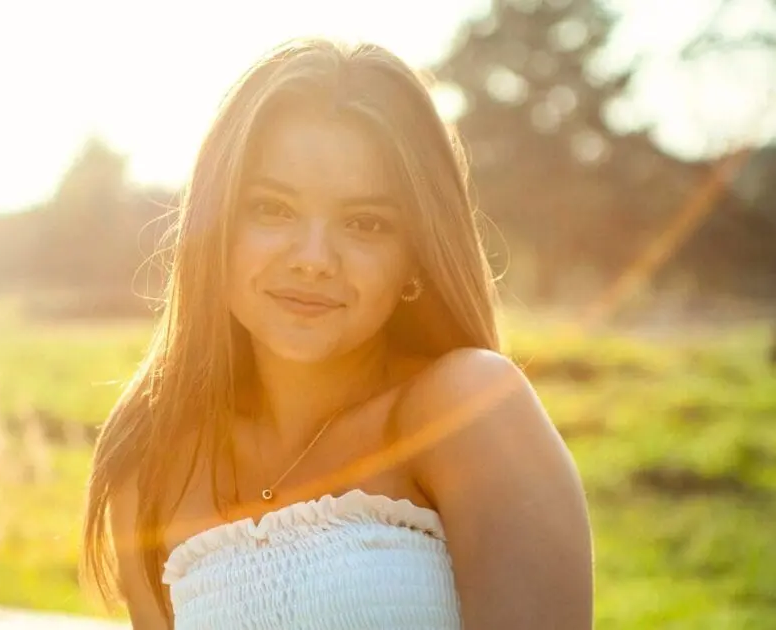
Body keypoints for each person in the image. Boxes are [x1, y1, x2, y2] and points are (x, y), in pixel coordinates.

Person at [81, 37, 593, 629]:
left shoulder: (469, 410)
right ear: (214, 224)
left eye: (365, 223)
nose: (314, 259)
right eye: (273, 209)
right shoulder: (150, 460)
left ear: (415, 257)